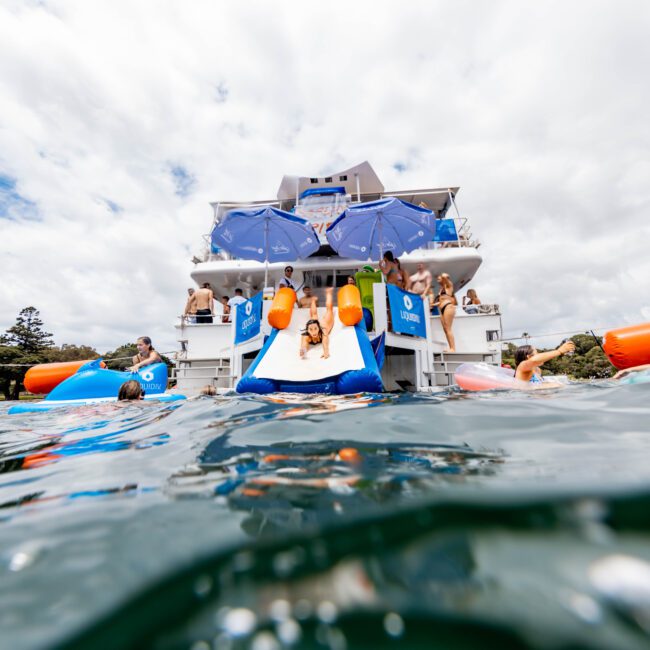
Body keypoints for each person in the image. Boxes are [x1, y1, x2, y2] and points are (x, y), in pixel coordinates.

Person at [300, 288, 334, 360]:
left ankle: (329, 293)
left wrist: (326, 352)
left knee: (329, 310)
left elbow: (325, 343)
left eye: (315, 329)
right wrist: (303, 352)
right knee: (313, 316)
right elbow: (304, 345)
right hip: (314, 324)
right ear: (307, 330)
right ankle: (313, 300)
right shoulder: (306, 335)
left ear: (318, 328)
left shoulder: (323, 330)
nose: (314, 332)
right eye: (311, 330)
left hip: (324, 324)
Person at [433, 273, 457, 352]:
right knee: (445, 329)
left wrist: (443, 276)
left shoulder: (449, 286)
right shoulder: (441, 289)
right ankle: (451, 347)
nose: (437, 280)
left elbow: (444, 276)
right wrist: (432, 304)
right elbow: (440, 301)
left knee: (448, 329)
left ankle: (453, 348)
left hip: (448, 307)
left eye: (439, 279)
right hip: (442, 309)